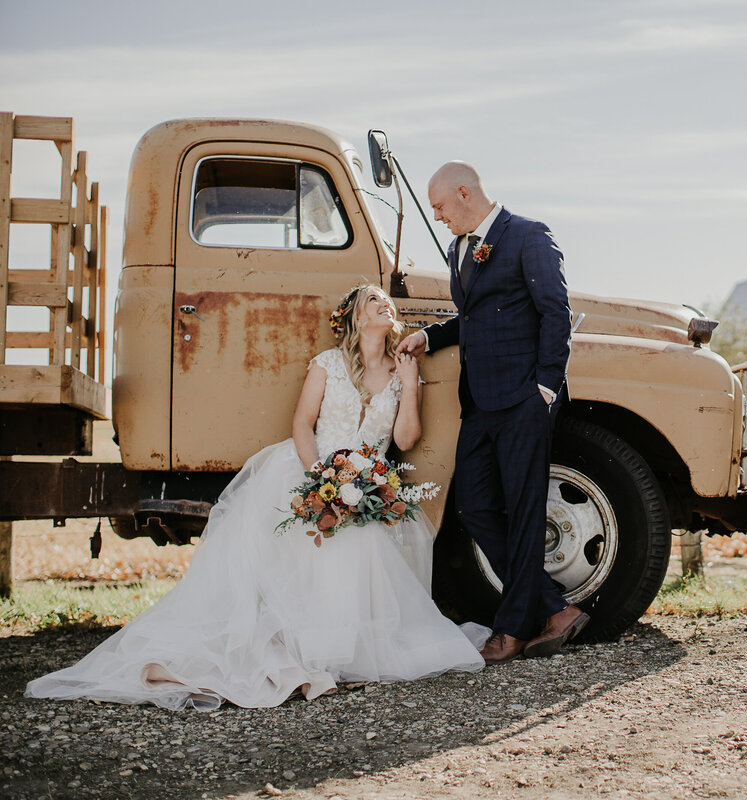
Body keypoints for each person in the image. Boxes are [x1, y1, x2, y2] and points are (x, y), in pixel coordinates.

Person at [26, 285, 485, 711]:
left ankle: (335, 647)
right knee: (305, 541)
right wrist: (320, 481)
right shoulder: (327, 363)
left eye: (389, 303)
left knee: (360, 543)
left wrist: (408, 384)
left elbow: (405, 438)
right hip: (309, 471)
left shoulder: (408, 371)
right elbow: (303, 424)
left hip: (365, 482)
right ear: (354, 319)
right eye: (374, 302)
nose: (387, 306)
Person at [398, 161, 586, 665]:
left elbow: (555, 312)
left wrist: (546, 388)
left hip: (524, 400)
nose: (437, 217)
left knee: (525, 516)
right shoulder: (460, 247)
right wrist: (430, 336)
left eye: (439, 207)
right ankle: (554, 609)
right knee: (474, 505)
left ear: (464, 193)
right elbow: (477, 317)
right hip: (479, 403)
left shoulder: (527, 235)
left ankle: (513, 627)